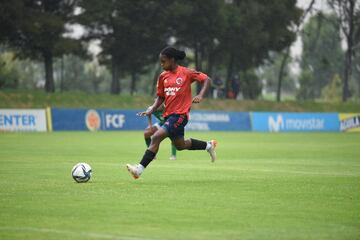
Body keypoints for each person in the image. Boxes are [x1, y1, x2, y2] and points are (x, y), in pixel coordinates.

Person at [126, 47, 217, 179]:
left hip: (181, 115)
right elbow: (161, 97)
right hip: (169, 115)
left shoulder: (186, 72)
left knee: (156, 137)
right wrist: (152, 109)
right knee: (180, 145)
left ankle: (139, 170)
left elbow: (206, 79)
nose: (161, 64)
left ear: (172, 60)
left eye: (163, 61)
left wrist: (201, 95)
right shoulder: (163, 77)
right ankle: (209, 145)